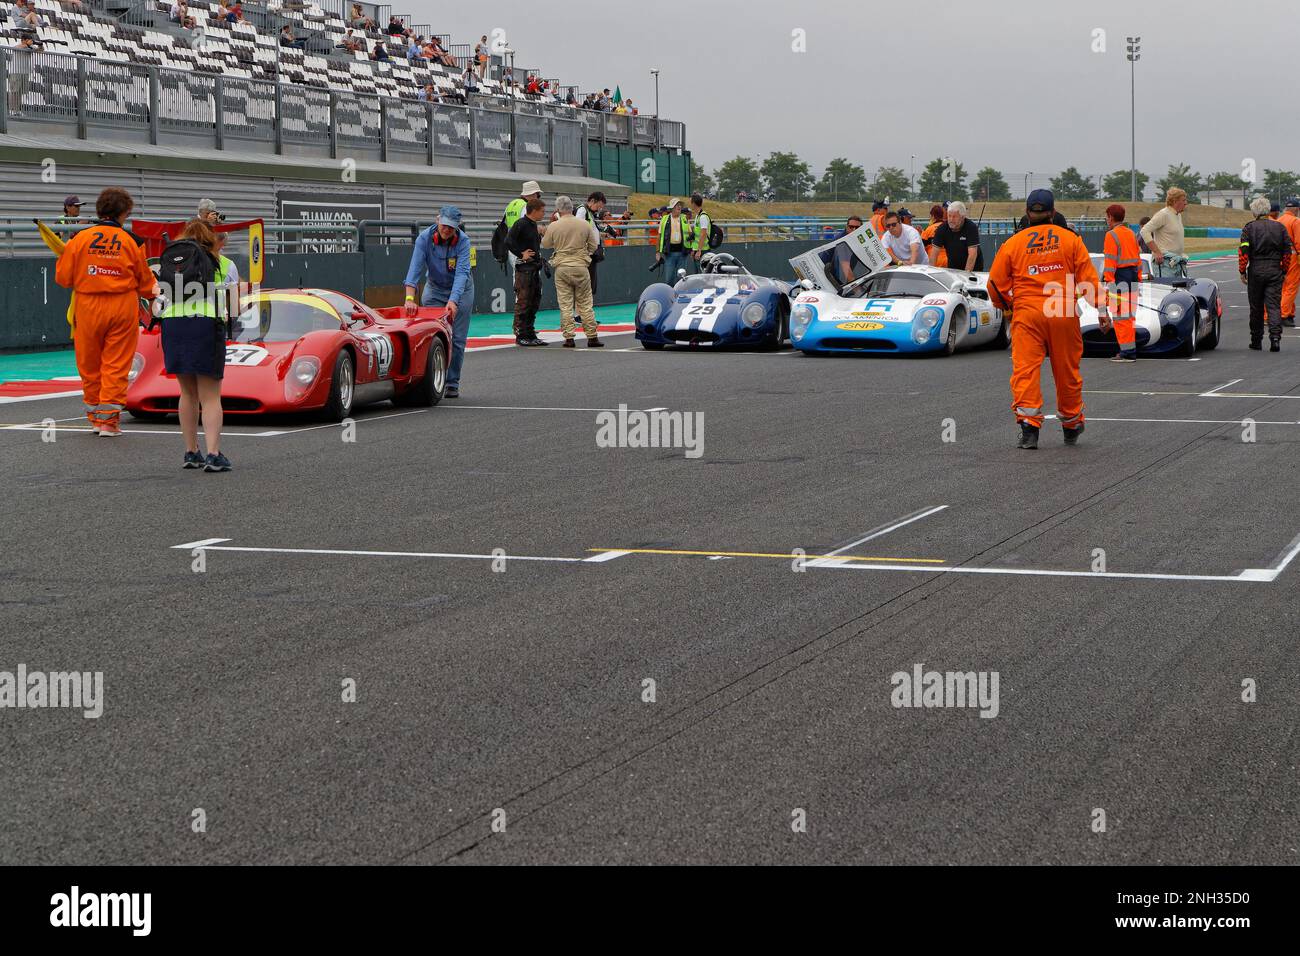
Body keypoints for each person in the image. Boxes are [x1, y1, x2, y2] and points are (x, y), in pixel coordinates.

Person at [986, 189, 1108, 450]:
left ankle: (1029, 428)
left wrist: (1007, 307)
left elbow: (995, 285)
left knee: (1025, 371)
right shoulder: (1071, 240)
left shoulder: (1013, 244)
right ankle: (1072, 424)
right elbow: (1088, 280)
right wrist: (1101, 309)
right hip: (1061, 309)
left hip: (1027, 313)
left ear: (1028, 214)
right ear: (1053, 213)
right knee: (1066, 371)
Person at [54, 187, 157, 439]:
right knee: (116, 364)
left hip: (87, 306)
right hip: (121, 306)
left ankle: (94, 418)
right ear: (125, 213)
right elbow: (146, 284)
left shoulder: (79, 239)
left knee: (89, 365)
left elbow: (63, 278)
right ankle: (109, 422)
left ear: (99, 211)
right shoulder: (133, 241)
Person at [157, 219, 233, 471]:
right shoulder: (219, 262)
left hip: (172, 323)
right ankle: (213, 454)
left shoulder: (172, 258)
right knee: (210, 396)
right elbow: (233, 299)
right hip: (204, 322)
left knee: (187, 392)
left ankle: (191, 451)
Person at [403, 205, 473, 397]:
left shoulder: (464, 242)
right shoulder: (424, 239)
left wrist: (453, 301)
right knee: (433, 335)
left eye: (451, 227)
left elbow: (462, 274)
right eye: (444, 225)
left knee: (457, 338)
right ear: (437, 220)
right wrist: (409, 298)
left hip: (461, 291)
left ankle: (452, 382)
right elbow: (414, 269)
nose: (446, 230)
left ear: (457, 227)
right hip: (434, 289)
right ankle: (432, 379)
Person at [542, 196, 601, 347]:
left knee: (565, 304)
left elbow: (546, 244)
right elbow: (594, 246)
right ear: (571, 208)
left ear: (558, 209)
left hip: (562, 267)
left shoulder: (554, 226)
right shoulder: (583, 224)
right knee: (585, 303)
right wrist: (584, 255)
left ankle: (569, 338)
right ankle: (592, 337)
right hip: (581, 266)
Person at [1239, 195, 1294, 352]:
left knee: (1256, 307)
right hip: (1275, 270)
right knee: (1274, 306)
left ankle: (1256, 340)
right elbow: (1287, 252)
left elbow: (1243, 252)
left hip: (1255, 270)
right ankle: (1275, 339)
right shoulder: (1280, 227)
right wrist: (1284, 270)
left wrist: (1242, 270)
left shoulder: (1249, 228)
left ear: (1254, 212)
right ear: (1268, 210)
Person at [1101, 204, 1144, 363]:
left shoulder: (1111, 235)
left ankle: (1127, 352)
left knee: (1120, 317)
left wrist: (1109, 283)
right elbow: (1138, 259)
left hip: (1119, 278)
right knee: (1129, 316)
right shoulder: (1131, 233)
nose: (1106, 219)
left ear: (1111, 217)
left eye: (1107, 217)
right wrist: (1138, 279)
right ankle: (1128, 349)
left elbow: (1110, 261)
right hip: (1132, 277)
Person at [507, 197, 546, 347]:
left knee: (534, 300)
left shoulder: (532, 225)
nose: (543, 214)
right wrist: (521, 254)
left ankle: (530, 332)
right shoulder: (521, 224)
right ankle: (520, 334)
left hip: (534, 268)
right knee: (524, 301)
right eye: (542, 211)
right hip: (524, 269)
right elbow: (508, 241)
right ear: (534, 211)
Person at [574, 191, 609, 318]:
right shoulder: (582, 211)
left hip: (590, 254)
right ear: (592, 201)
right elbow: (578, 231)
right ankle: (579, 315)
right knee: (584, 285)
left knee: (589, 285)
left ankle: (585, 314)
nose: (600, 209)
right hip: (585, 254)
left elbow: (590, 231)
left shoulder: (589, 213)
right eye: (599, 205)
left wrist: (601, 234)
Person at [1141, 187, 1188, 277]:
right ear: (1175, 201)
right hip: (1165, 263)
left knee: (1178, 290)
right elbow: (1144, 231)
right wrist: (1157, 251)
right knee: (1166, 289)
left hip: (1176, 262)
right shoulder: (1163, 214)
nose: (1186, 203)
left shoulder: (1178, 215)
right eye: (1183, 200)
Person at [930, 201, 983, 272]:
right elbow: (934, 253)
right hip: (953, 266)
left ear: (962, 217)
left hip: (974, 267)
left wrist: (966, 274)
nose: (951, 220)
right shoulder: (942, 229)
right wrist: (931, 271)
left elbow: (972, 254)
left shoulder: (971, 227)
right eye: (949, 216)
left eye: (954, 217)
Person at [654, 198, 692, 284]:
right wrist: (657, 252)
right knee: (669, 280)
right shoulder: (664, 219)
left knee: (682, 281)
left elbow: (690, 233)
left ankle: (680, 297)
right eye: (677, 205)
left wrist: (692, 247)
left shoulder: (684, 218)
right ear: (672, 208)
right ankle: (670, 297)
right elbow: (659, 236)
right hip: (669, 253)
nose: (679, 207)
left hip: (683, 253)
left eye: (680, 205)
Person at [1279, 197, 1300, 328]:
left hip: (1279, 257)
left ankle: (1289, 313)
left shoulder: (1278, 220)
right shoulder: (1295, 221)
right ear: (1296, 209)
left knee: (1283, 287)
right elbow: (1298, 242)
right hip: (1292, 258)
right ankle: (1284, 314)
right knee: (1291, 287)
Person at [688, 192, 713, 268]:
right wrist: (693, 249)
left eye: (691, 202)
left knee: (702, 275)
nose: (690, 204)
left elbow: (703, 234)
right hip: (698, 249)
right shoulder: (698, 216)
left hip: (703, 250)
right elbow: (697, 235)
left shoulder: (703, 217)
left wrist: (699, 251)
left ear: (694, 203)